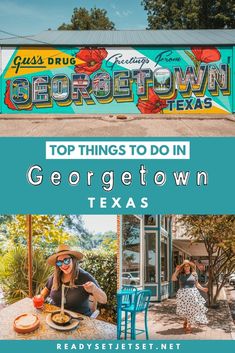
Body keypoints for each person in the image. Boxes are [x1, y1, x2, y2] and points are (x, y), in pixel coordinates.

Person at [40, 244, 107, 316]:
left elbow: (104, 300)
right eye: (59, 262)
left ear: (73, 260)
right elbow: (46, 290)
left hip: (79, 319)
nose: (63, 265)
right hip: (56, 316)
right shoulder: (56, 276)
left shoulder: (84, 276)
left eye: (66, 260)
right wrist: (40, 298)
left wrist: (94, 289)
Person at [172, 259, 208, 333]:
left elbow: (197, 284)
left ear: (190, 266)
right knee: (185, 309)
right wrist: (176, 270)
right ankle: (186, 320)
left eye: (188, 266)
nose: (186, 267)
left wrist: (203, 289)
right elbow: (173, 279)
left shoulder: (194, 274)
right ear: (183, 267)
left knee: (192, 309)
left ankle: (189, 325)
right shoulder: (180, 274)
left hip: (193, 293)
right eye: (185, 266)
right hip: (183, 293)